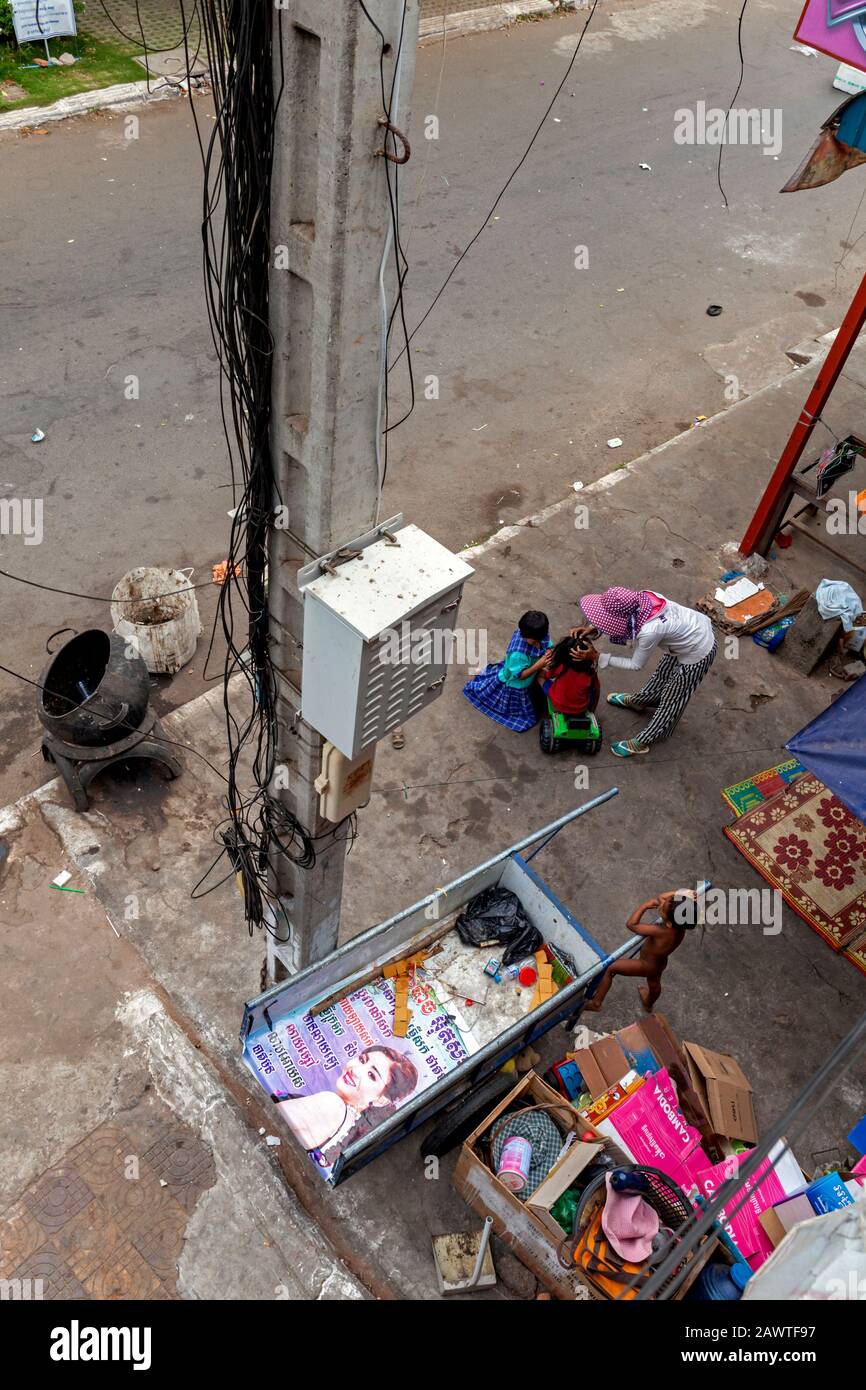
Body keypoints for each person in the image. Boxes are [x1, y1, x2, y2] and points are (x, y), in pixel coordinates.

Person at [576, 587, 716, 758]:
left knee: (673, 697)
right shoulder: (644, 598)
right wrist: (594, 628)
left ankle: (643, 741)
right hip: (686, 634)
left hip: (699, 649)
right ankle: (640, 701)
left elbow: (635, 664)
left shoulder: (650, 631)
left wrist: (598, 656)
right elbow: (614, 619)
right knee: (661, 674)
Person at [272, 1046, 418, 1160]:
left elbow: (266, 1115)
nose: (356, 1070)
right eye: (362, 1060)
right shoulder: (347, 1124)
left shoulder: (332, 1104)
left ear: (381, 1100)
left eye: (371, 1075)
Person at [583, 890, 699, 1013]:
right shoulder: (682, 925)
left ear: (669, 923)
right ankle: (648, 1003)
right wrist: (681, 894)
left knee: (609, 967)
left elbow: (631, 924)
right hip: (659, 963)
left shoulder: (661, 932)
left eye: (662, 910)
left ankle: (596, 1003)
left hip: (645, 964)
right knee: (654, 986)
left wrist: (645, 906)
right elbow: (661, 898)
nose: (661, 903)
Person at [463, 610, 553, 732]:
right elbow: (520, 676)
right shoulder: (518, 655)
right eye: (531, 639)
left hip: (524, 674)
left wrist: (549, 651)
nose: (537, 643)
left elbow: (548, 644)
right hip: (516, 684)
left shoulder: (540, 637)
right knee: (523, 714)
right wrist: (539, 665)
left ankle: (481, 672)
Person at [542, 633, 600, 717]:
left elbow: (547, 675)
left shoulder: (561, 666)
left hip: (557, 705)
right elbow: (597, 691)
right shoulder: (591, 674)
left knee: (540, 676)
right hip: (580, 709)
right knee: (594, 689)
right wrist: (592, 710)